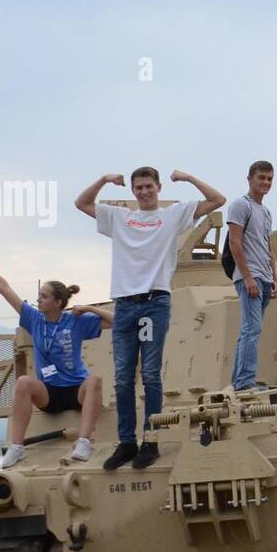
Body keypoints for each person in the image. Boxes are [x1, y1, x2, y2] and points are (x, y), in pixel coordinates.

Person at [75, 168, 226, 470]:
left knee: (151, 375)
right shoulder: (119, 218)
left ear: (158, 188)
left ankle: (151, 439)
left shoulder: (173, 215)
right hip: (125, 304)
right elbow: (82, 203)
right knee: (122, 377)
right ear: (133, 191)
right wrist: (104, 180)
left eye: (148, 187)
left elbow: (217, 199)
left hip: (154, 301)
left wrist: (188, 178)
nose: (144, 192)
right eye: (138, 188)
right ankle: (126, 442)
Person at [0, 249, 108, 469]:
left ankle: (84, 443)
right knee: (23, 382)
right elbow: (3, 288)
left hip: (77, 390)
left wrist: (88, 308)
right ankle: (17, 448)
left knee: (94, 380)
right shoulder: (34, 319)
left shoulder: (77, 321)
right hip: (49, 392)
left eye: (44, 296)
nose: (38, 300)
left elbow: (119, 321)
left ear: (58, 302)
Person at [223, 161, 277, 393]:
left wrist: (275, 277)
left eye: (269, 179)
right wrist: (247, 277)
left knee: (251, 329)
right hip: (250, 275)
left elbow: (268, 247)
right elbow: (235, 242)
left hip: (264, 277)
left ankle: (240, 379)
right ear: (250, 179)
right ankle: (245, 381)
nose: (265, 182)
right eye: (261, 178)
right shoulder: (240, 205)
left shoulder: (266, 212)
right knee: (251, 329)